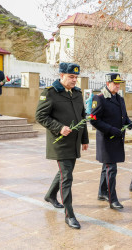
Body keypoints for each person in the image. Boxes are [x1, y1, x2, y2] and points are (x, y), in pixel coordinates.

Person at [36, 62, 89, 229]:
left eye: (76, 77)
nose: (74, 80)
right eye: (71, 77)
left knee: (65, 172)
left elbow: (82, 117)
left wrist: (85, 139)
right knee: (67, 177)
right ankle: (69, 215)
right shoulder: (51, 93)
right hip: (59, 142)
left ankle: (50, 195)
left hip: (73, 142)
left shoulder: (77, 94)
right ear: (61, 76)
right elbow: (40, 116)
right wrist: (59, 128)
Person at [90, 73, 132, 210]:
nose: (118, 86)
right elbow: (94, 120)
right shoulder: (100, 98)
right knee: (111, 170)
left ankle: (102, 193)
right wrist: (110, 129)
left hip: (117, 139)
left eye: (119, 83)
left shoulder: (119, 98)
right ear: (108, 84)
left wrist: (129, 123)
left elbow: (123, 116)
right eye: (115, 83)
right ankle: (112, 199)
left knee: (106, 169)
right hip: (107, 140)